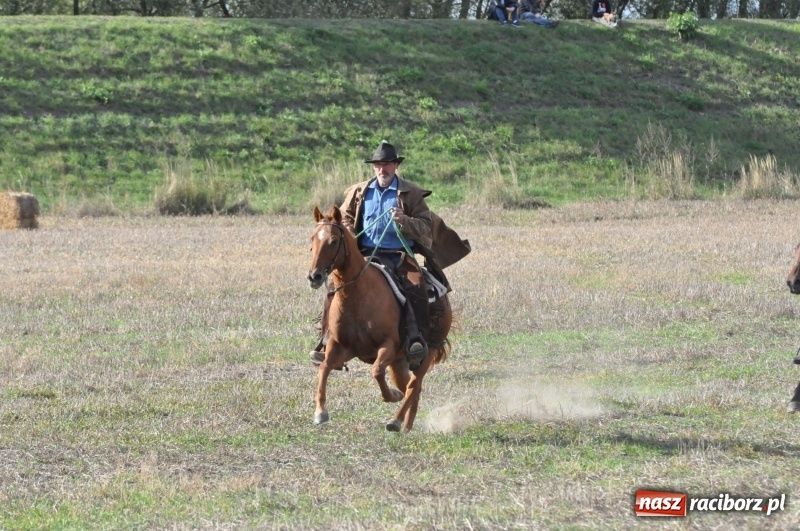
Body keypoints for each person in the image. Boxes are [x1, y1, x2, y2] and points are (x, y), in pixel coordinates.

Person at [310, 141, 470, 369]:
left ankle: (416, 340)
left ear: (396, 166)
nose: (381, 170)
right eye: (378, 165)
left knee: (416, 287)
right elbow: (343, 218)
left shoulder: (411, 193)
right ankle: (327, 342)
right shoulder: (359, 191)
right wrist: (352, 236)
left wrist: (405, 221)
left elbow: (425, 227)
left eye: (386, 165)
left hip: (399, 256)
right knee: (334, 288)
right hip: (365, 256)